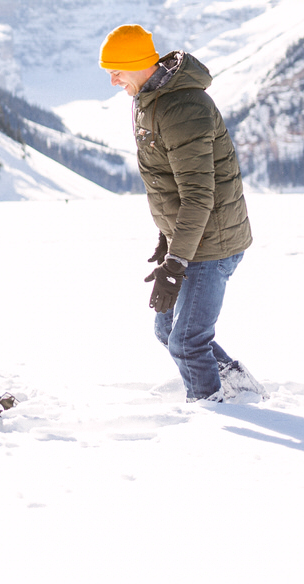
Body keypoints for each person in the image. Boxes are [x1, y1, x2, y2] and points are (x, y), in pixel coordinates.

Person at [100, 24, 265, 402]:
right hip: (192, 237)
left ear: (138, 64)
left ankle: (214, 412)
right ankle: (238, 389)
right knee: (168, 330)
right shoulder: (150, 99)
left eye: (117, 70)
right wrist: (166, 235)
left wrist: (175, 264)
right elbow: (168, 179)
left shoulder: (181, 107)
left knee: (188, 342)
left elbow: (198, 194)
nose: (112, 80)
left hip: (213, 243)